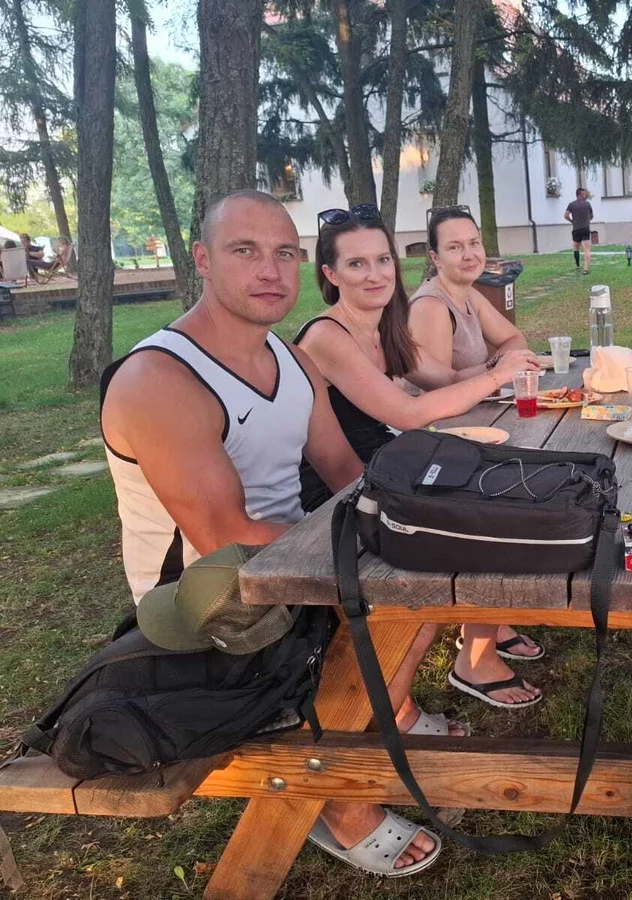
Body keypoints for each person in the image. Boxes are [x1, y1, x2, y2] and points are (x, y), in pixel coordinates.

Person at [101, 189, 447, 878]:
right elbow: (224, 536)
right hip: (210, 603)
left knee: (429, 588)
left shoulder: (292, 362)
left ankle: (381, 718)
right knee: (397, 608)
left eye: (285, 253)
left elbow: (346, 472)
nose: (270, 270)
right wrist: (372, 545)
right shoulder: (160, 379)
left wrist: (418, 514)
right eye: (245, 251)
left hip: (291, 559)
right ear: (202, 260)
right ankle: (338, 805)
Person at [295, 203, 544, 710]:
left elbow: (446, 379)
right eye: (356, 264)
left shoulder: (382, 327)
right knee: (479, 515)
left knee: (502, 487)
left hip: (387, 468)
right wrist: (499, 375)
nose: (375, 275)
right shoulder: (326, 335)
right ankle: (430, 686)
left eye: (383, 260)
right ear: (330, 274)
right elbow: (408, 413)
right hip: (337, 491)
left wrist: (502, 364)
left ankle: (481, 638)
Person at [564, 187, 594, 274]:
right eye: (584, 194)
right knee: (587, 250)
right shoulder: (587, 204)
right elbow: (592, 216)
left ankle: (577, 266)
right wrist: (587, 221)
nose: (585, 196)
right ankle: (586, 269)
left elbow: (566, 215)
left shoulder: (571, 204)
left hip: (576, 229)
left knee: (576, 249)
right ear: (580, 195)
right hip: (585, 229)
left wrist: (572, 221)